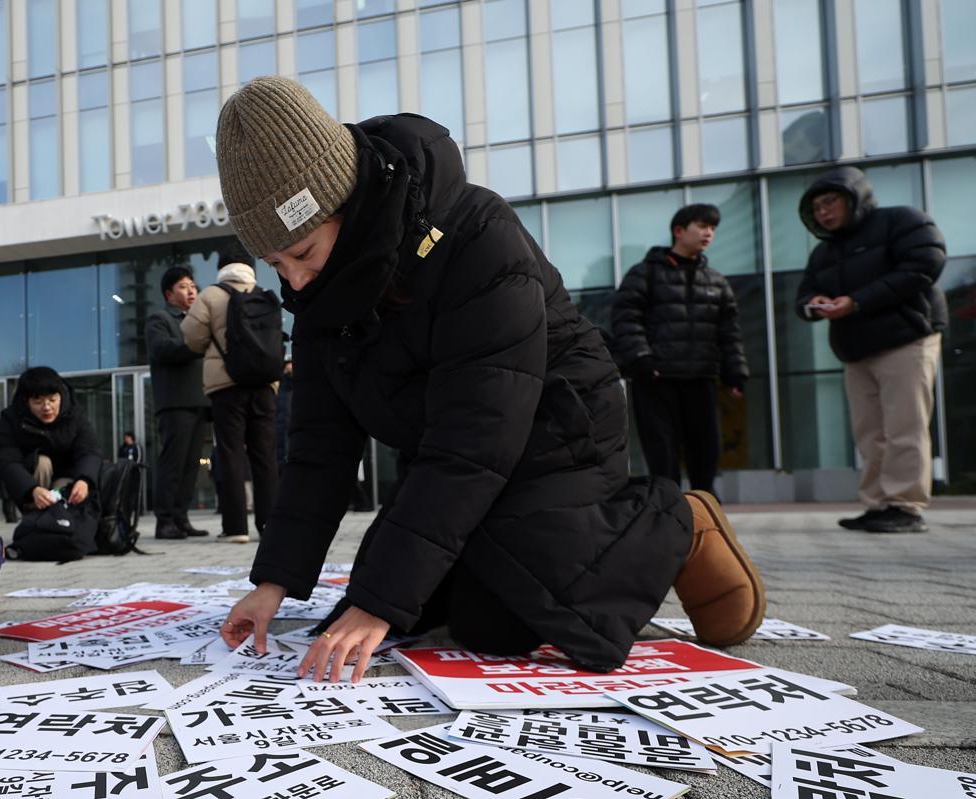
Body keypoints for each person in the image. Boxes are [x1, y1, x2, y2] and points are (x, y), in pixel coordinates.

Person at [212, 76, 766, 683]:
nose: (294, 280)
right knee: (471, 622)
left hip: (555, 429)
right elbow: (320, 446)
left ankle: (676, 522)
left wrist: (378, 599)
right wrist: (275, 583)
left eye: (304, 251)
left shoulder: (476, 231)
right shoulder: (319, 295)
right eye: (276, 265)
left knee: (521, 601)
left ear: (346, 202)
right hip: (454, 452)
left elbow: (477, 431)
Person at [796, 167, 948, 534]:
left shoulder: (901, 220)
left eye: (830, 201)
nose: (823, 212)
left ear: (854, 196)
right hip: (856, 348)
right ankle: (878, 503)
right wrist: (812, 304)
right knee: (869, 432)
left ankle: (906, 505)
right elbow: (802, 294)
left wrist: (858, 301)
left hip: (906, 338)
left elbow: (926, 263)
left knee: (904, 425)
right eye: (816, 208)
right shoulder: (824, 252)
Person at [611, 203, 748, 495]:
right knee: (662, 454)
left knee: (706, 451)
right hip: (656, 378)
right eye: (701, 226)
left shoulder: (716, 281)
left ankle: (706, 515)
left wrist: (735, 372)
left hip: (701, 378)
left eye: (712, 228)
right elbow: (625, 319)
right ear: (679, 231)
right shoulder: (644, 274)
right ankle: (667, 516)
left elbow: (729, 332)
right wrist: (641, 359)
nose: (708, 233)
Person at [181, 248, 281, 543]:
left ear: (222, 268)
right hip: (264, 385)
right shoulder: (264, 293)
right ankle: (270, 526)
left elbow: (191, 336)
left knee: (231, 453)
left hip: (227, 386)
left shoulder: (211, 295)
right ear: (250, 267)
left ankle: (236, 527)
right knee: (265, 455)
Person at [145, 266, 211, 540]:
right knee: (173, 464)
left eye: (193, 285)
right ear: (169, 293)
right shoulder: (159, 319)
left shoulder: (197, 320)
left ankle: (181, 518)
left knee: (190, 466)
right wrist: (195, 345)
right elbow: (162, 350)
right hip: (175, 403)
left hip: (199, 402)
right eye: (184, 286)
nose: (191, 290)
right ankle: (165, 521)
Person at [0, 367, 101, 516]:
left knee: (66, 500)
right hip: (33, 480)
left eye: (52, 400)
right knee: (42, 463)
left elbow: (89, 450)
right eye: (38, 402)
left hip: (68, 477)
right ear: (26, 401)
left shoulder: (74, 413)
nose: (47, 407)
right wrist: (32, 489)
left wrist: (84, 480)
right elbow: (7, 460)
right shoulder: (11, 419)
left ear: (61, 396)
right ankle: (34, 517)